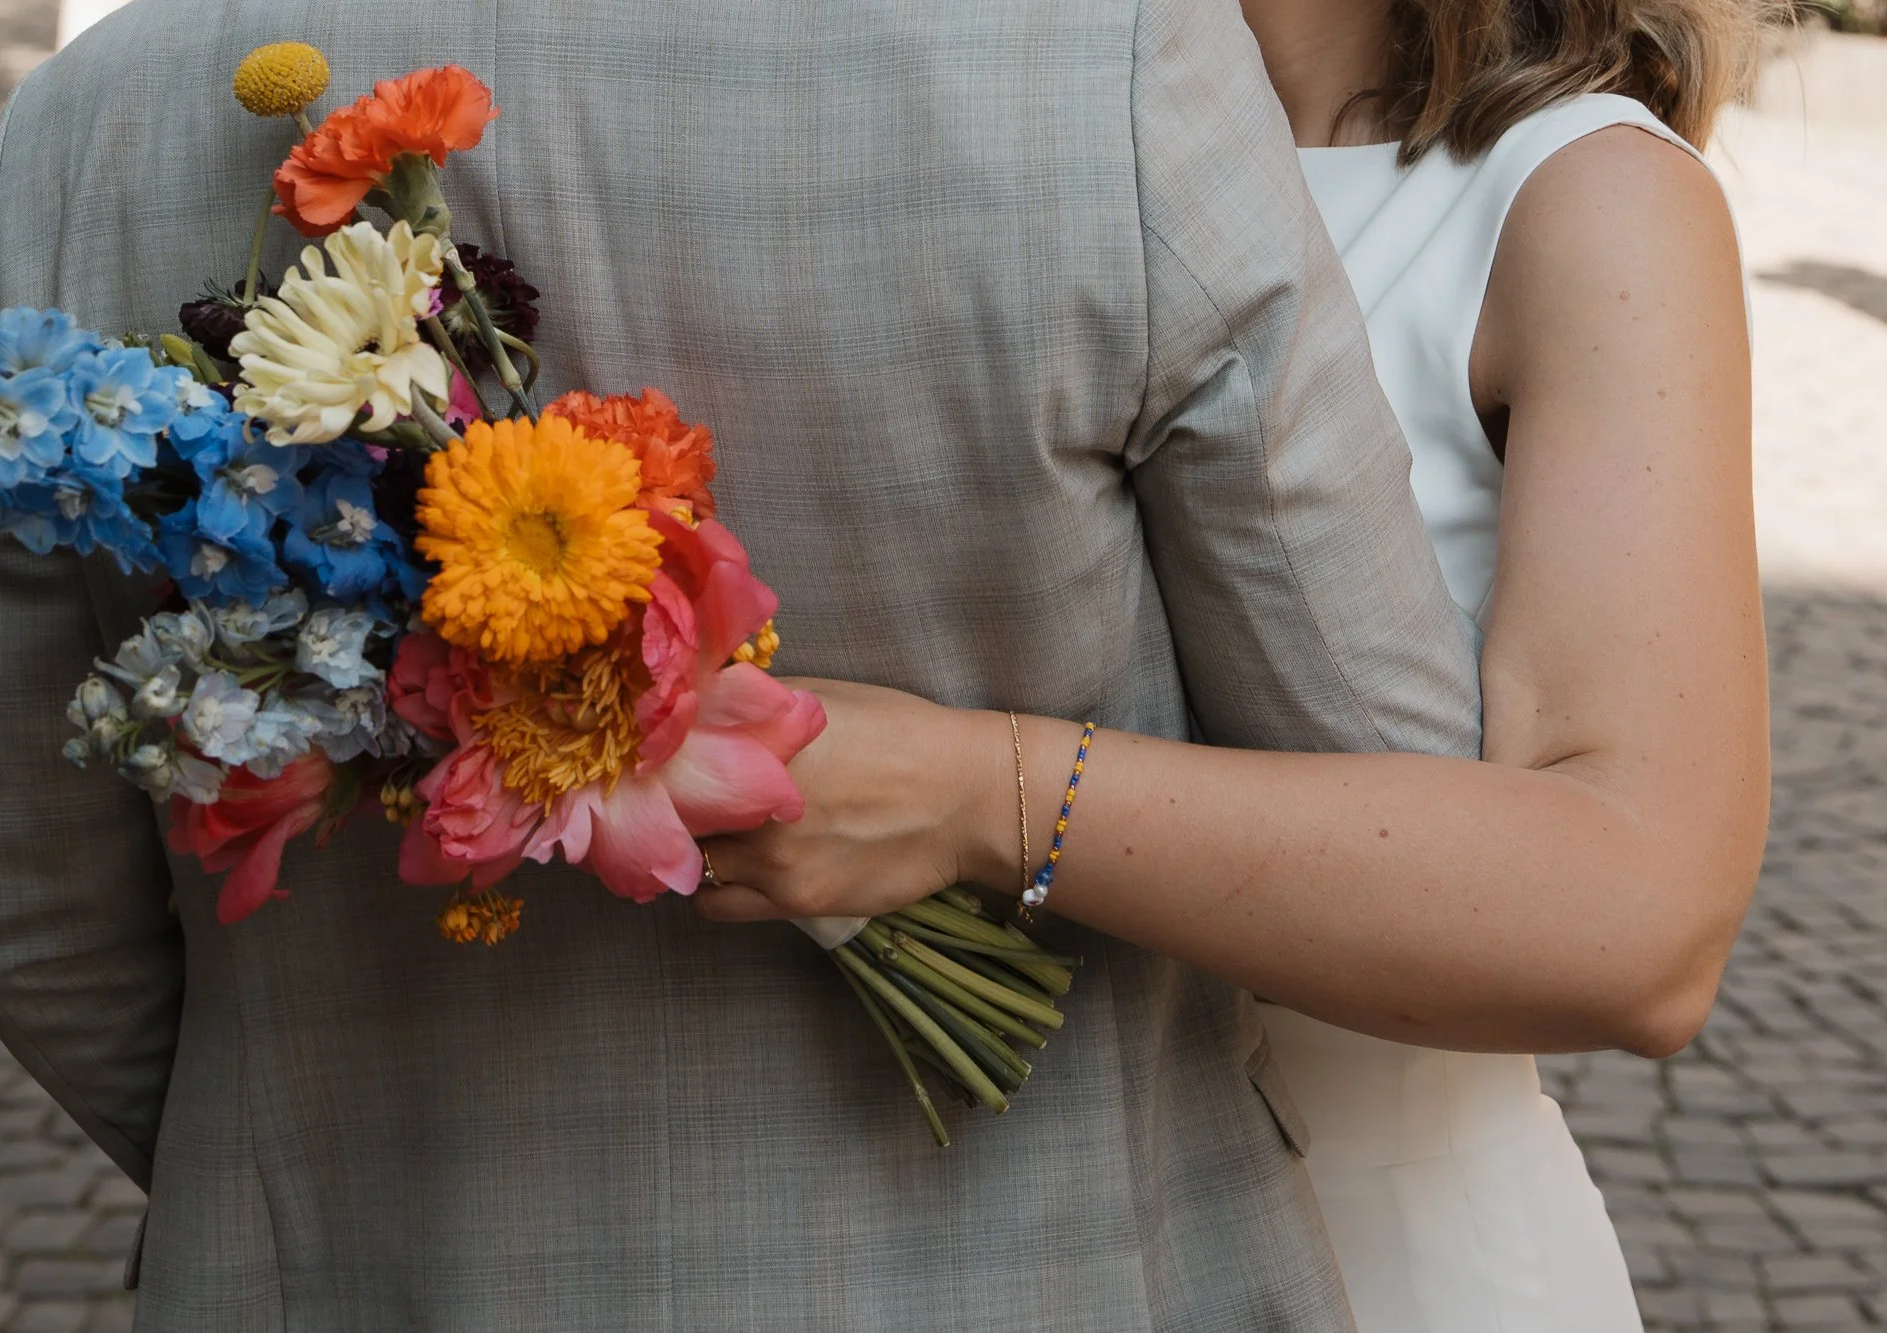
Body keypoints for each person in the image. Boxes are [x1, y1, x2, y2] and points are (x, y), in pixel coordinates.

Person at [0, 0, 1487, 1327]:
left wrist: (320, 1190)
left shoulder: (90, 121)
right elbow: (1389, 799)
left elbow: (39, 926)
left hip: (350, 1272)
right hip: (1053, 1267)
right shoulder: (1108, 63)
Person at [699, 0, 1770, 1328]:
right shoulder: (950, 142)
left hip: (1380, 1259)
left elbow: (1643, 926)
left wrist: (988, 798)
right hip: (958, 1247)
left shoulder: (1580, 199)